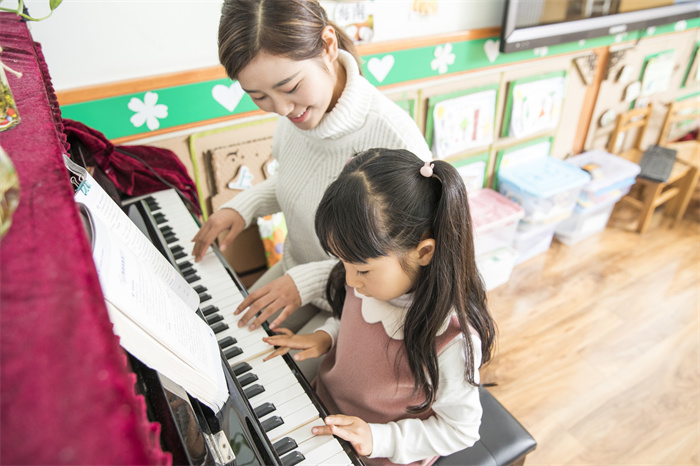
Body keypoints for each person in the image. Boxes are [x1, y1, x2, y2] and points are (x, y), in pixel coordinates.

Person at [191, 0, 432, 334]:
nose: (281, 108)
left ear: (328, 46)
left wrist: (309, 282)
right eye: (258, 96)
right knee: (232, 334)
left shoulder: (393, 137)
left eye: (290, 87)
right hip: (297, 272)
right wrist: (242, 207)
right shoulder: (298, 115)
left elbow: (403, 261)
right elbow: (298, 180)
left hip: (368, 298)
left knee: (293, 377)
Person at [262, 148, 497, 465]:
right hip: (323, 410)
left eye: (361, 268)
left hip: (375, 452)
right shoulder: (369, 279)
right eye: (342, 262)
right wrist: (328, 336)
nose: (350, 279)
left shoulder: (452, 341)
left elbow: (461, 431)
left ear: (424, 253)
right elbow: (357, 322)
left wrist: (378, 438)